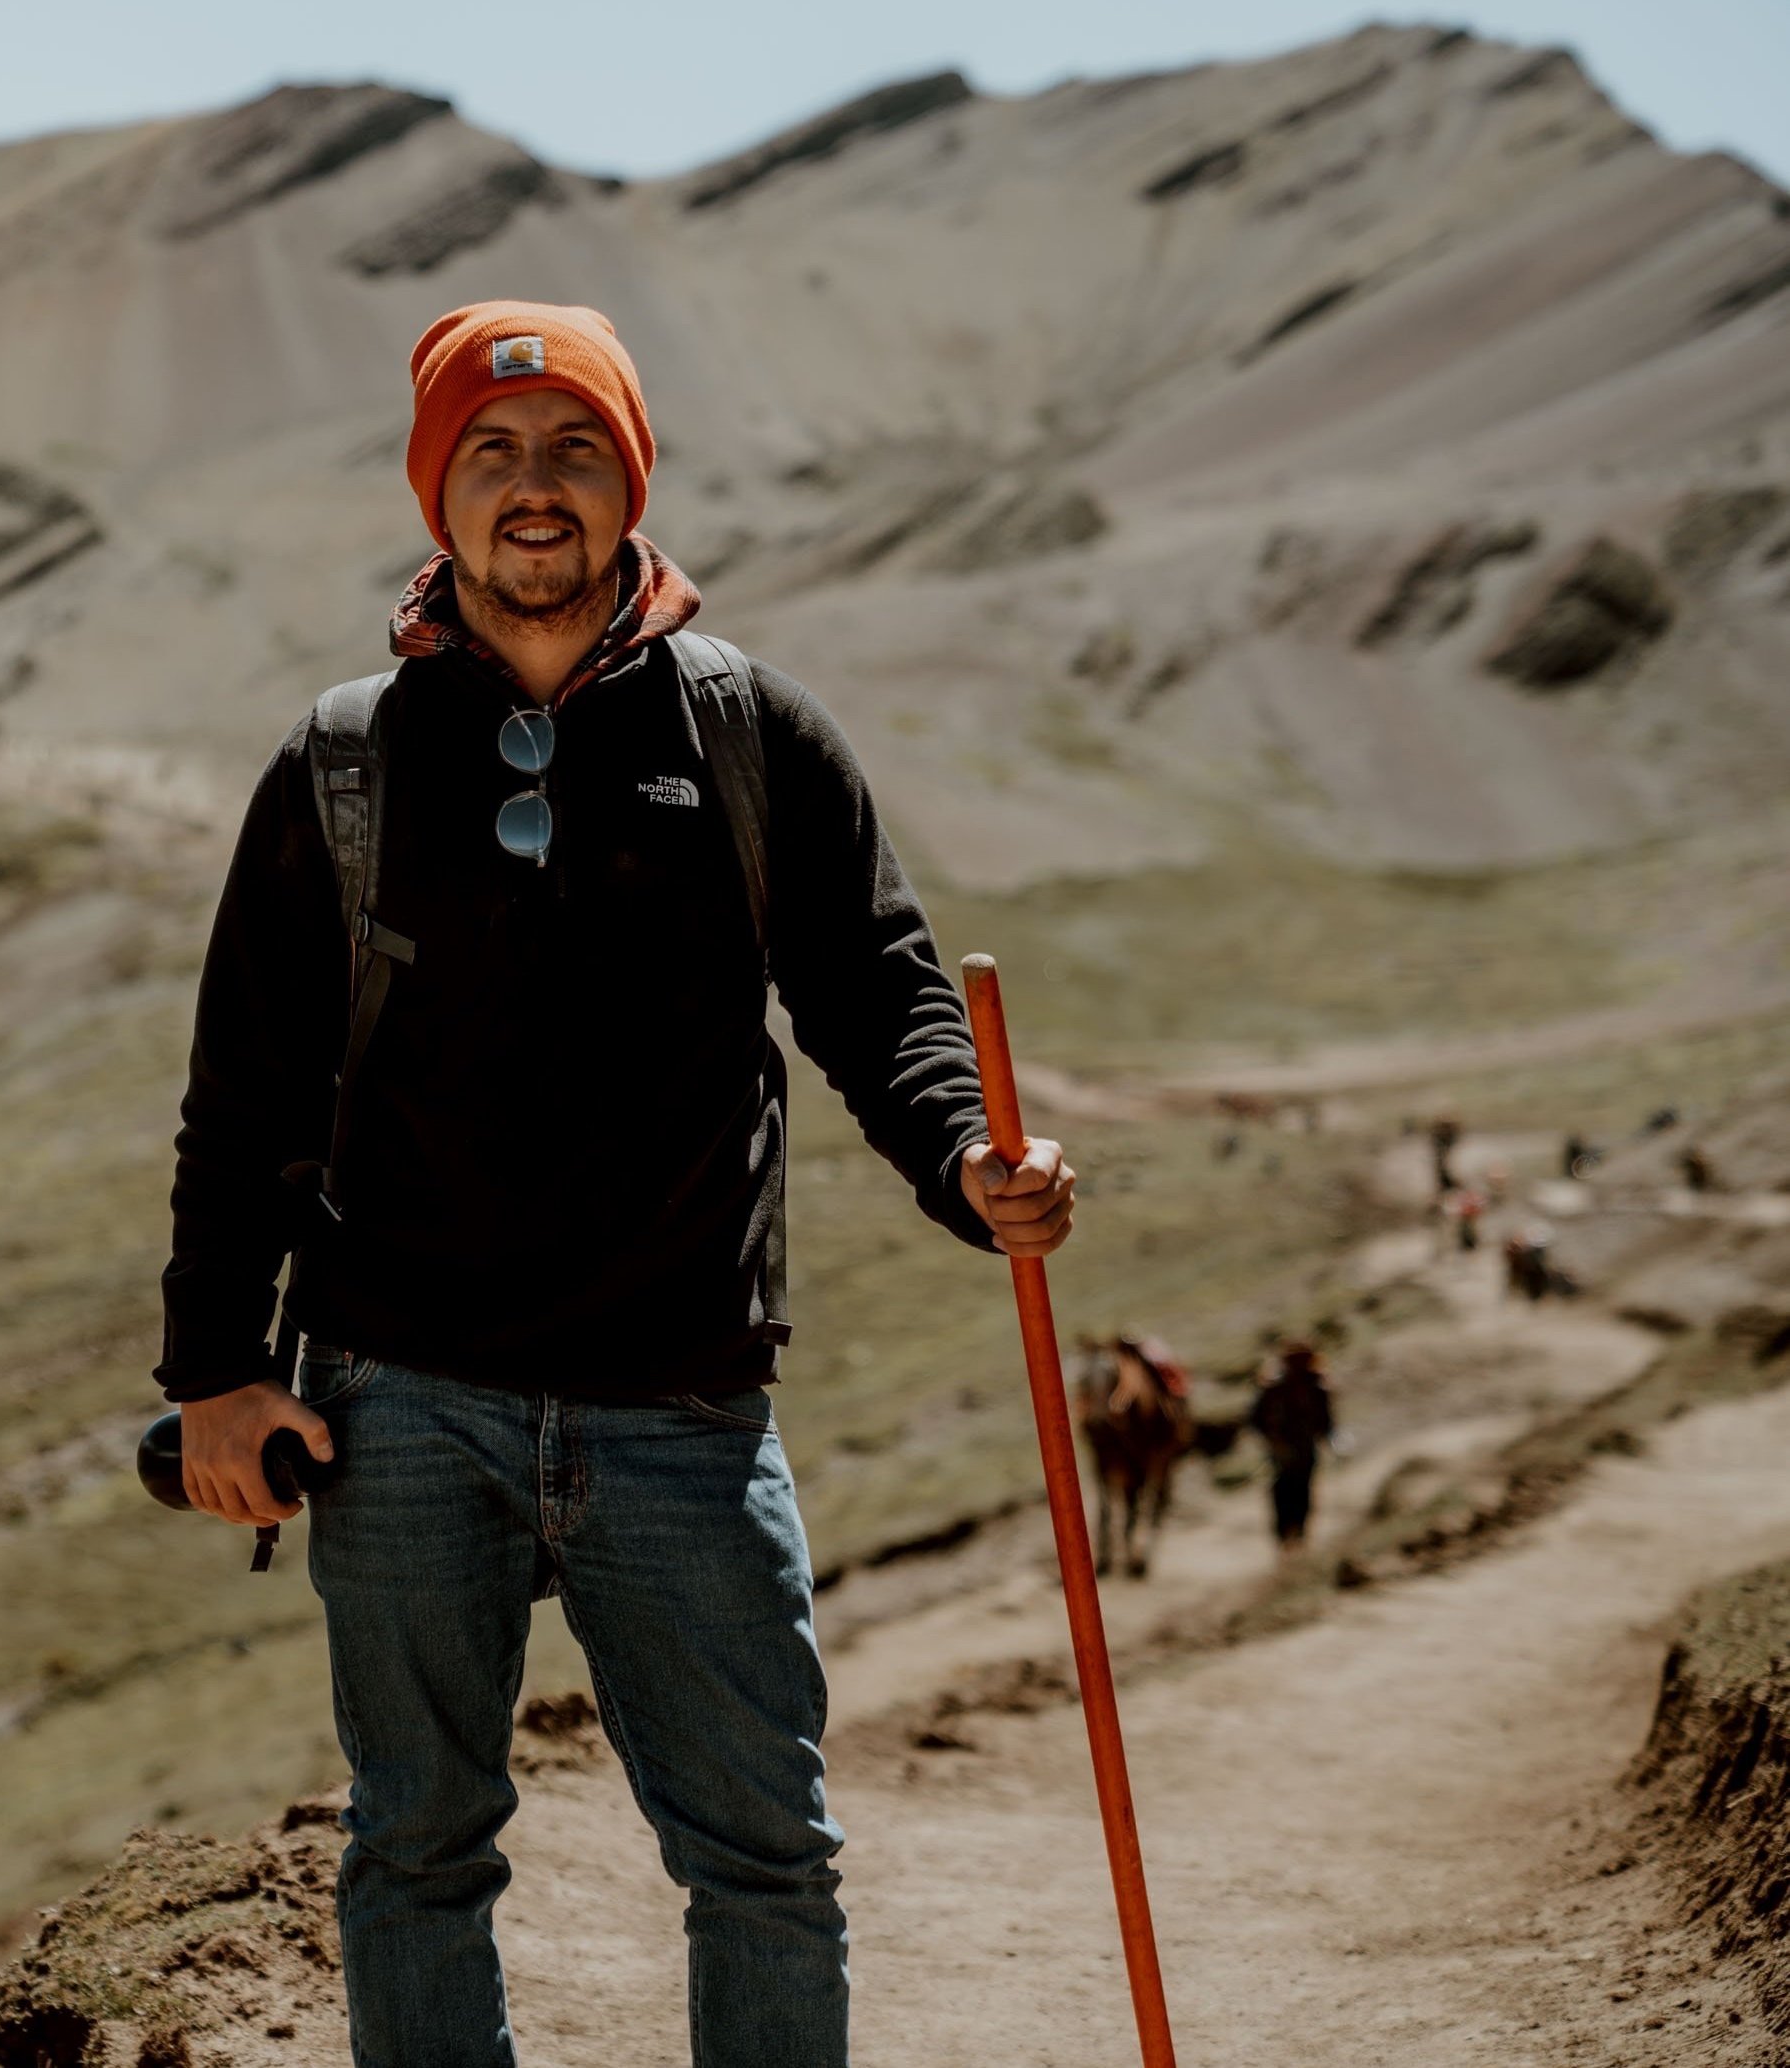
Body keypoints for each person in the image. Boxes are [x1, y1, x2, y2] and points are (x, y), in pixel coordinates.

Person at [153, 300, 1074, 2068]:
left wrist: (969, 1160)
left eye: (575, 448)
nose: (534, 487)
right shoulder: (341, 762)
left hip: (685, 1401)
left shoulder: (751, 736)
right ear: (439, 497)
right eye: (490, 454)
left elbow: (880, 987)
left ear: (630, 482)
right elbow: (244, 1092)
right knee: (414, 1850)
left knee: (766, 1863)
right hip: (401, 1396)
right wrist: (214, 1363)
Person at [1250, 1341, 1337, 1552]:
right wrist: (1274, 1443)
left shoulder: (1316, 1388)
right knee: (1284, 1495)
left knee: (1301, 1495)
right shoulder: (1275, 1389)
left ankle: (1297, 1538)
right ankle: (1286, 1541)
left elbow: (1326, 1422)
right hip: (1282, 1454)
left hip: (1304, 1452)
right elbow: (1256, 1420)